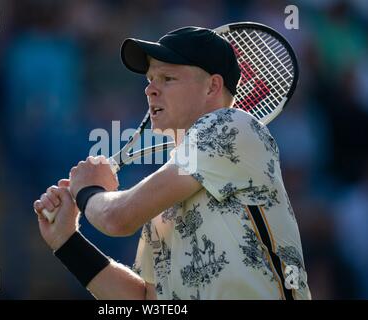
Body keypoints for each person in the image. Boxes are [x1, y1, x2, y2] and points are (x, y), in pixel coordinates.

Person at [33, 26, 311, 300]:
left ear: (212, 86)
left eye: (167, 78)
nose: (150, 90)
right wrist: (66, 241)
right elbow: (146, 300)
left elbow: (116, 218)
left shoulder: (232, 124)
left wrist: (88, 191)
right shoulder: (163, 203)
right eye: (150, 79)